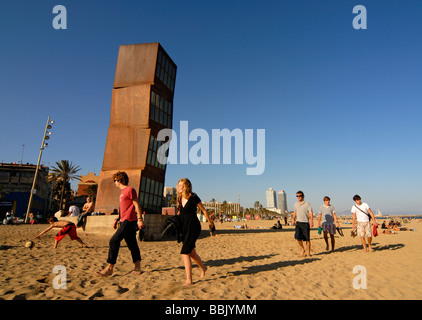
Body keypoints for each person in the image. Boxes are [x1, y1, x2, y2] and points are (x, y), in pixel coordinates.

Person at [96, 172, 144, 277]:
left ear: (120, 180)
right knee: (132, 244)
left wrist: (140, 219)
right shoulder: (123, 192)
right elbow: (123, 208)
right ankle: (137, 268)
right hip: (124, 220)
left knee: (114, 240)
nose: (114, 183)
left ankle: (109, 268)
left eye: (115, 180)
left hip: (129, 221)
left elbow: (136, 204)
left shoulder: (130, 190)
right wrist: (117, 218)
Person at [177, 178, 214, 286]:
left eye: (181, 185)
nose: (179, 187)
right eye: (178, 185)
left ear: (186, 186)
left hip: (193, 227)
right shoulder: (179, 198)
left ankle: (189, 280)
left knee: (185, 253)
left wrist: (209, 221)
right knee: (192, 253)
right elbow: (180, 213)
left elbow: (203, 210)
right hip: (184, 228)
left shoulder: (193, 197)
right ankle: (203, 268)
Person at [288, 191, 314, 258]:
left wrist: (311, 221)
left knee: (307, 239)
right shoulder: (295, 204)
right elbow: (295, 212)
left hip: (305, 223)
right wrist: (293, 219)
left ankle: (308, 253)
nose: (298, 197)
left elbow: (310, 213)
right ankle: (302, 249)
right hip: (298, 223)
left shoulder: (307, 204)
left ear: (303, 196)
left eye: (300, 196)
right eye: (297, 196)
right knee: (298, 238)